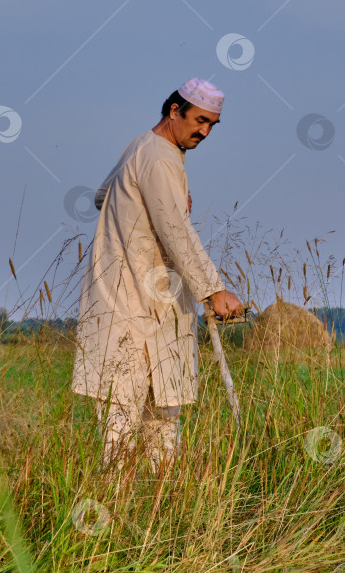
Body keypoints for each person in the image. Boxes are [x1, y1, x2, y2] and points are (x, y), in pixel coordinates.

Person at [72, 77, 243, 474]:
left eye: (212, 125)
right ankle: (110, 526)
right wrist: (214, 291)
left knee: (163, 421)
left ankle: (164, 522)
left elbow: (102, 195)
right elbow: (176, 232)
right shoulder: (159, 156)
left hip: (153, 305)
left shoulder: (142, 146)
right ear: (174, 110)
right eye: (200, 120)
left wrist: (150, 199)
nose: (205, 131)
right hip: (127, 307)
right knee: (121, 427)